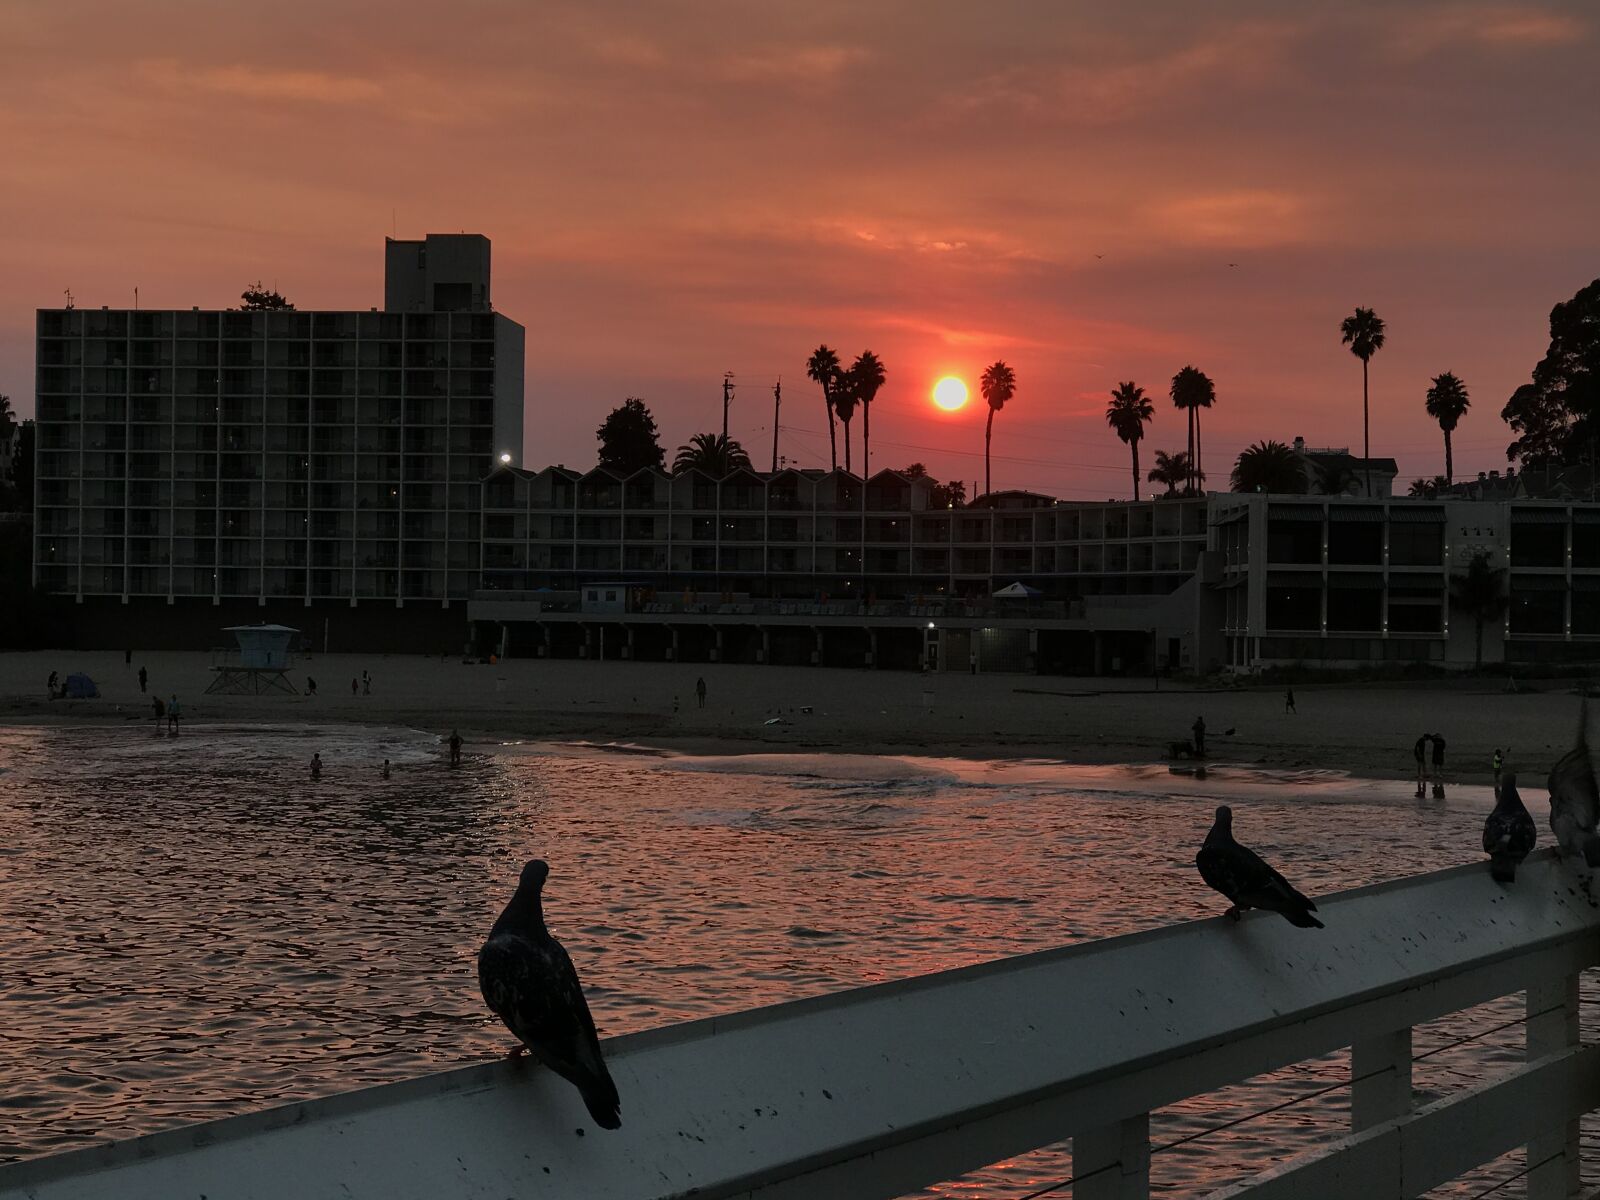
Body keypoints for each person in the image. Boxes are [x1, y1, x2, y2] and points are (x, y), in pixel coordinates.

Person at [1431, 733, 1447, 797]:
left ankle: (1440, 774)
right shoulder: (1435, 740)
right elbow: (1431, 738)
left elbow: (1444, 747)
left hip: (1440, 753)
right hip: (1435, 753)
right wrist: (1434, 735)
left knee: (1440, 765)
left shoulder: (1442, 741)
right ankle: (1435, 774)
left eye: (1439, 736)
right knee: (1435, 764)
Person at [1413, 734, 1430, 798]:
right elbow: (1417, 748)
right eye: (1427, 739)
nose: (1427, 740)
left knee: (1423, 764)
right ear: (1425, 737)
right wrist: (1419, 754)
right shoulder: (1421, 741)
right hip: (1418, 754)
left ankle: (1424, 774)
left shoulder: (1422, 740)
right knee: (1420, 764)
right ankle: (1419, 775)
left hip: (1420, 753)